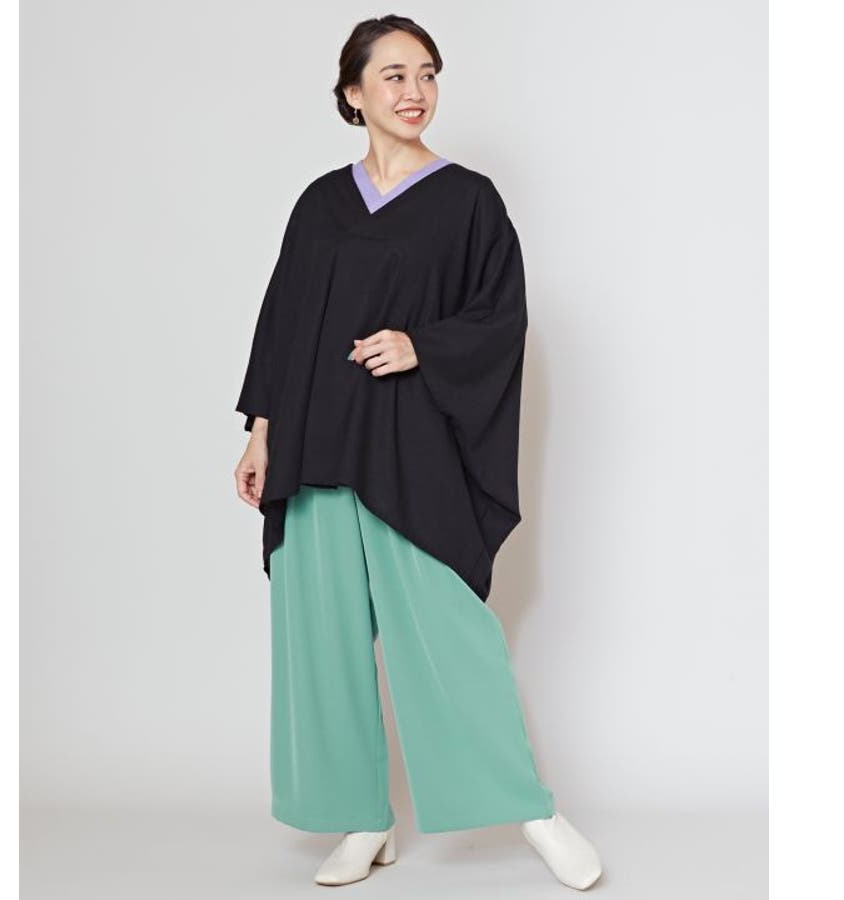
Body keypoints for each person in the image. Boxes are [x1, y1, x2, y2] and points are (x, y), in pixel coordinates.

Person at [233, 14, 603, 890]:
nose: (415, 91)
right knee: (322, 639)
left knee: (448, 633)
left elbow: (501, 318)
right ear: (353, 92)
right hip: (314, 444)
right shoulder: (320, 203)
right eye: (394, 75)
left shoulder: (468, 200)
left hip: (409, 449)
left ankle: (531, 809)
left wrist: (420, 346)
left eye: (427, 73)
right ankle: (362, 818)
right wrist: (261, 433)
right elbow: (283, 322)